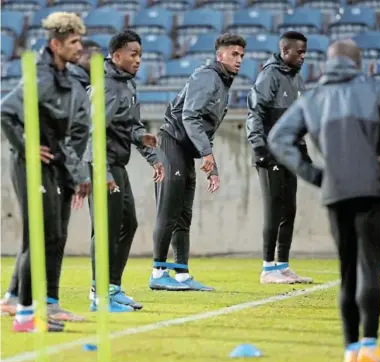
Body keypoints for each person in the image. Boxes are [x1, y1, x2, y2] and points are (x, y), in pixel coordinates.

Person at [267, 40, 380, 362]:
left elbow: (278, 138)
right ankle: (370, 346)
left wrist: (313, 172)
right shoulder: (373, 86)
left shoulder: (313, 98)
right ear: (358, 62)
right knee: (370, 267)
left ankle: (351, 352)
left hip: (336, 190)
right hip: (373, 186)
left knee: (347, 270)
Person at [1, 12, 92, 332]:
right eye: (74, 42)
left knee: (53, 236)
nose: (79, 47)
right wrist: (25, 147)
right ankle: (25, 315)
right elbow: (6, 112)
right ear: (56, 44)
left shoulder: (64, 76)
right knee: (37, 238)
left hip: (53, 163)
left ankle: (39, 307)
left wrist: (75, 171)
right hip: (29, 164)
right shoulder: (39, 76)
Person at [149, 33, 246, 291]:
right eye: (234, 54)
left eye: (242, 56)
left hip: (186, 150)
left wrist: (211, 168)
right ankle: (158, 273)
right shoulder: (207, 76)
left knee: (184, 214)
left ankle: (181, 274)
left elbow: (205, 128)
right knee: (169, 210)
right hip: (172, 143)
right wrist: (206, 155)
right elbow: (190, 116)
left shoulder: (223, 83)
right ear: (220, 55)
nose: (239, 60)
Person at [86, 29, 164, 312]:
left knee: (127, 223)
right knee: (105, 230)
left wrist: (152, 155)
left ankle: (112, 288)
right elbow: (93, 132)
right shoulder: (106, 85)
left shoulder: (127, 85)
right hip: (101, 164)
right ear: (116, 55)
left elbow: (131, 126)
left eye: (140, 54)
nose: (138, 60)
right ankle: (99, 295)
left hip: (117, 163)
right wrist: (102, 172)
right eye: (134, 54)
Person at [246, 31, 313, 285]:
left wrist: (302, 147)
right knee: (273, 208)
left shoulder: (297, 78)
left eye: (305, 52)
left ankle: (283, 266)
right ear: (285, 51)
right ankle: (267, 268)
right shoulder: (269, 75)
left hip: (289, 154)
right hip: (269, 154)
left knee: (289, 209)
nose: (303, 56)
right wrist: (259, 148)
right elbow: (254, 112)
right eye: (300, 52)